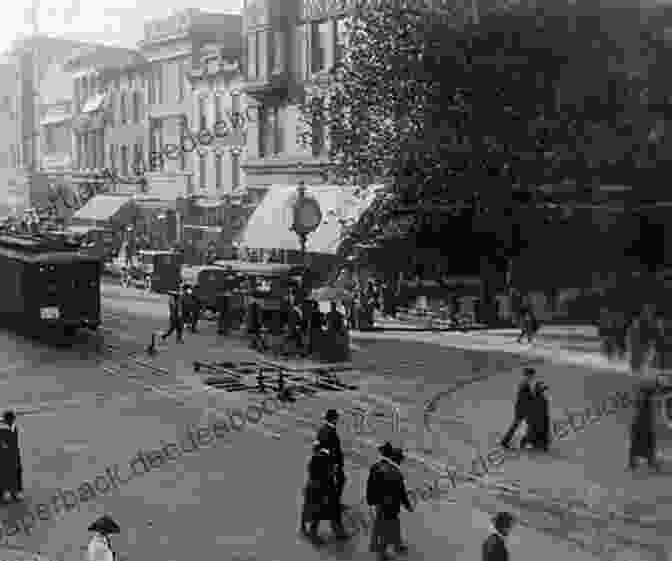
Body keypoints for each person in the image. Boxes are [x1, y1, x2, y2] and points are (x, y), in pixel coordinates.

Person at [366, 443, 413, 561]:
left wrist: (371, 500)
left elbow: (370, 485)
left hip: (379, 503)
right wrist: (407, 505)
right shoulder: (396, 473)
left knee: (382, 526)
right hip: (390, 506)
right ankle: (382, 554)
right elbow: (401, 492)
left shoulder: (376, 466)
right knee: (388, 528)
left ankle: (392, 546)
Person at [300, 444, 348, 544]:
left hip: (311, 487)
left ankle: (304, 528)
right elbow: (329, 475)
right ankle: (319, 534)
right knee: (324, 511)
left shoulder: (313, 458)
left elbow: (312, 472)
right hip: (322, 490)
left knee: (309, 508)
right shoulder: (327, 459)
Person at [316, 409, 346, 512]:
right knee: (339, 481)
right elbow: (334, 450)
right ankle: (333, 504)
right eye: (336, 418)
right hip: (330, 463)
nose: (337, 420)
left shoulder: (322, 429)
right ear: (333, 419)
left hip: (321, 462)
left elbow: (317, 446)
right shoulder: (331, 432)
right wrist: (336, 464)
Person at [500, 367, 536, 449]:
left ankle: (507, 441)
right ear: (528, 375)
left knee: (520, 425)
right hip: (522, 408)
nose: (532, 377)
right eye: (531, 376)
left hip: (521, 408)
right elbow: (525, 398)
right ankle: (519, 441)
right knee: (527, 425)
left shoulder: (524, 383)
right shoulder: (524, 384)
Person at [627, 385, 660, 472]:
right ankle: (639, 461)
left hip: (642, 422)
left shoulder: (642, 401)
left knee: (640, 439)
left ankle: (636, 462)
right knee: (642, 439)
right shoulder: (643, 401)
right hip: (642, 422)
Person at [520, 381, 551, 452]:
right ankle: (532, 443)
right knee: (533, 433)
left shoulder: (543, 399)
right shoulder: (536, 399)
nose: (544, 392)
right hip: (535, 421)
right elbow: (530, 410)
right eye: (543, 390)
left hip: (541, 421)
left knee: (540, 433)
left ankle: (541, 445)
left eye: (544, 390)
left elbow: (545, 411)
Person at [0, 410, 22, 502]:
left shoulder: (14, 428)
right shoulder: (2, 429)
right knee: (5, 473)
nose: (12, 421)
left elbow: (15, 442)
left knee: (17, 471)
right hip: (4, 455)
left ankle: (17, 491)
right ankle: (6, 492)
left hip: (14, 453)